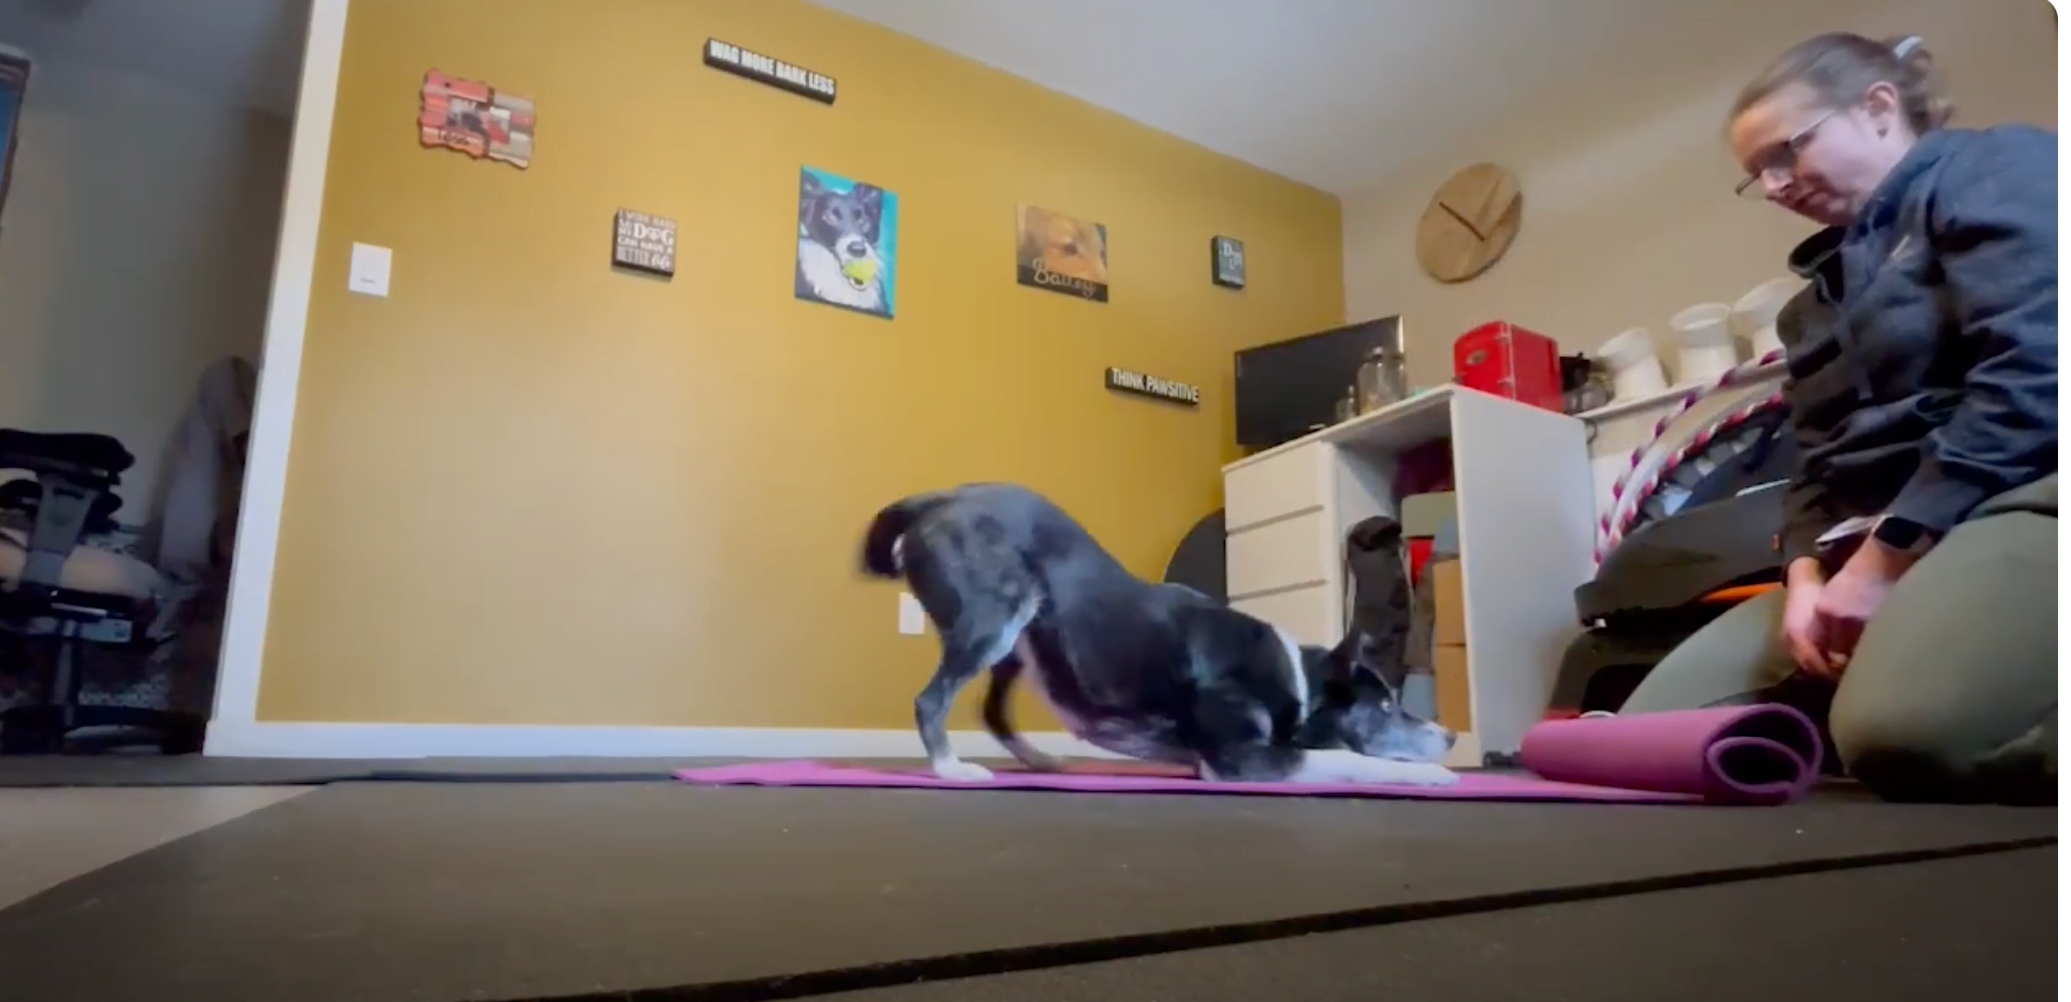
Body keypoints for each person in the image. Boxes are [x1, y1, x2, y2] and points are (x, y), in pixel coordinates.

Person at [1617, 33, 2057, 804]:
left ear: (1878, 108)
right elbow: (1812, 465)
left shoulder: (1993, 168)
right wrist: (1803, 581)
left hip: (2013, 501)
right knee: (1643, 737)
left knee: (1907, 733)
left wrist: (1883, 561)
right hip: (1872, 550)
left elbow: (2036, 374)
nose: (1773, 186)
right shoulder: (1809, 307)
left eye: (1784, 152)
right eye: (1756, 174)